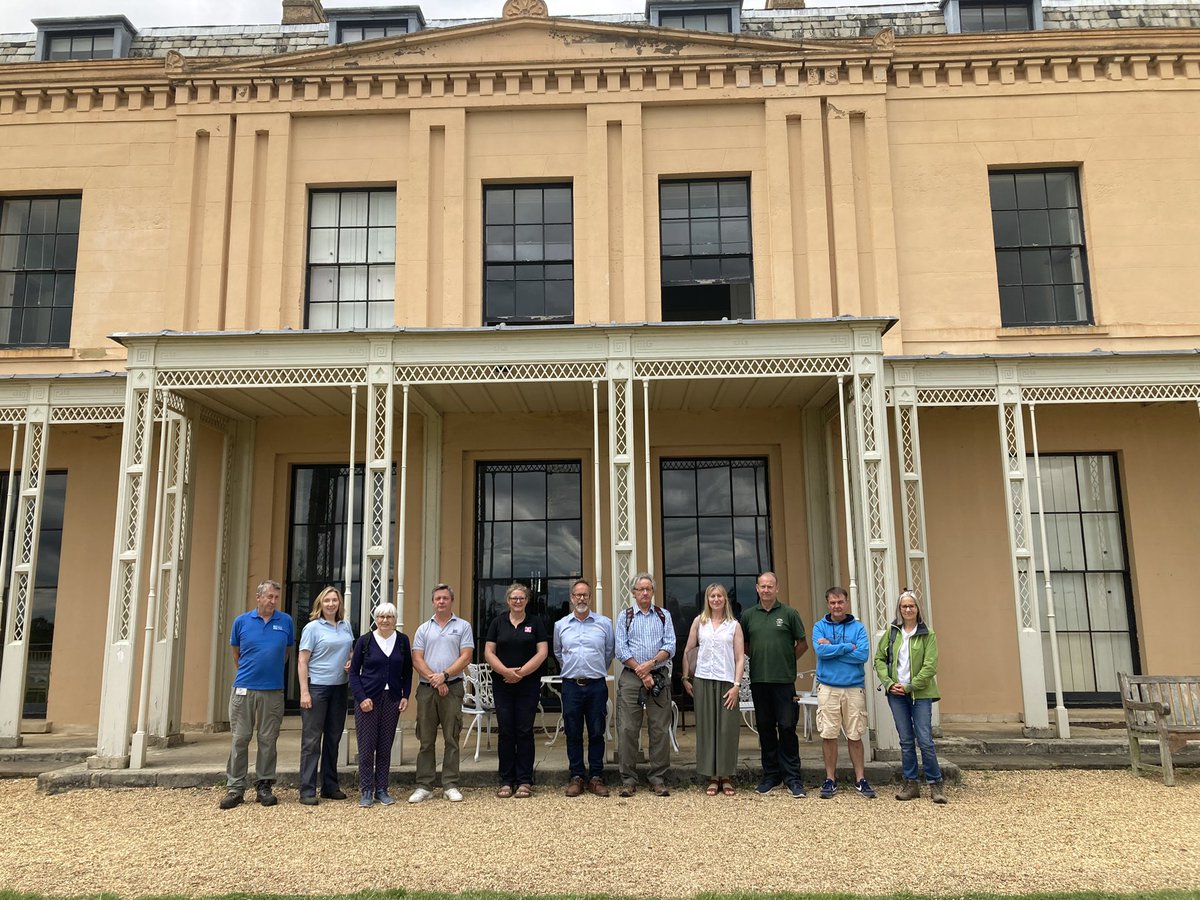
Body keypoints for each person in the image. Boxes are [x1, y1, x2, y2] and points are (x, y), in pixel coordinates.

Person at [219, 579, 293, 809]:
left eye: (276, 597)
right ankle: (235, 787)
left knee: (268, 739)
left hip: (273, 691)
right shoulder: (241, 621)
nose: (273, 601)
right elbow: (236, 655)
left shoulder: (286, 621)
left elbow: (286, 653)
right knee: (240, 738)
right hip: (244, 689)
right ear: (258, 597)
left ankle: (264, 784)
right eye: (269, 596)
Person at [739, 571, 808, 798]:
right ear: (757, 589)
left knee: (787, 727)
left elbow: (802, 644)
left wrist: (786, 661)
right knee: (766, 728)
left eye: (770, 586)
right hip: (760, 681)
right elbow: (745, 646)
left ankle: (792, 778)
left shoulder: (789, 614)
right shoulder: (748, 616)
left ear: (777, 589)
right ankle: (771, 775)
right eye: (762, 586)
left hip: (784, 682)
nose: (766, 590)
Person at [874, 590, 947, 803]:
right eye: (904, 606)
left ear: (917, 609)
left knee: (924, 739)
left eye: (911, 606)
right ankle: (911, 783)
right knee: (906, 740)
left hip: (920, 694)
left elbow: (930, 665)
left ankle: (935, 784)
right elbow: (879, 658)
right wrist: (888, 683)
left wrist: (911, 686)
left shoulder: (927, 634)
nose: (907, 610)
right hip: (896, 693)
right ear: (899, 609)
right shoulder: (893, 632)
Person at [409, 583, 474, 803]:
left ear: (451, 601)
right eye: (437, 598)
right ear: (433, 601)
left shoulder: (463, 626)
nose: (441, 602)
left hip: (452, 687)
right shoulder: (423, 629)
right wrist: (435, 680)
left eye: (445, 598)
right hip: (427, 690)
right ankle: (424, 785)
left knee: (451, 738)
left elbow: (466, 656)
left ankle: (450, 784)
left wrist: (444, 676)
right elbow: (417, 658)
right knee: (425, 739)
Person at [484, 582, 549, 799]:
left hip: (528, 685)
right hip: (502, 684)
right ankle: (505, 780)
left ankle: (524, 780)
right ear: (508, 601)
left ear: (527, 600)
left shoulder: (536, 622)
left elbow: (542, 653)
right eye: (514, 598)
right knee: (506, 732)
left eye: (521, 598)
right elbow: (489, 652)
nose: (518, 601)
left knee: (524, 731)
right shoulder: (497, 622)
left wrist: (520, 673)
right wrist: (506, 672)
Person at [614, 572, 676, 797]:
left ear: (653, 591)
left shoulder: (663, 615)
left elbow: (670, 645)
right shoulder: (625, 616)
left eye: (648, 588)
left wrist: (649, 666)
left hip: (658, 675)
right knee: (628, 729)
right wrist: (641, 673)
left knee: (659, 728)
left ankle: (657, 778)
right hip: (632, 677)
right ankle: (628, 779)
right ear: (633, 593)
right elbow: (621, 649)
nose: (645, 592)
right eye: (640, 589)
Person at [553, 578, 615, 797]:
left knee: (597, 731)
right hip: (571, 686)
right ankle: (577, 776)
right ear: (571, 598)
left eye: (585, 595)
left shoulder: (604, 623)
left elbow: (609, 652)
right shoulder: (560, 625)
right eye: (577, 595)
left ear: (590, 597)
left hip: (596, 685)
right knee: (573, 732)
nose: (581, 598)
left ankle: (596, 776)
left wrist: (594, 670)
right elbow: (559, 653)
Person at [682, 583, 745, 796]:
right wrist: (685, 678)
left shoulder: (733, 625)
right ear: (707, 600)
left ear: (725, 599)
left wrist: (737, 685)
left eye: (719, 596)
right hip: (703, 680)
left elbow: (739, 658)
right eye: (712, 596)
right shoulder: (699, 623)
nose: (716, 599)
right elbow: (688, 651)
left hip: (727, 682)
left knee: (726, 729)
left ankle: (726, 776)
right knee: (707, 729)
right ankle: (712, 776)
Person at [813, 585, 876, 799]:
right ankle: (830, 778)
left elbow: (863, 655)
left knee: (855, 734)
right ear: (828, 603)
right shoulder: (819, 627)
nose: (837, 606)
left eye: (840, 602)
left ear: (846, 603)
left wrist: (834, 648)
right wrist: (848, 646)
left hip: (853, 688)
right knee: (828, 734)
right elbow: (821, 651)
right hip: (828, 687)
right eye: (833, 602)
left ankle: (860, 779)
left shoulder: (858, 628)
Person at [348, 602, 412, 806]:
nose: (385, 620)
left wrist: (405, 695)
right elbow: (353, 672)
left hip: (392, 699)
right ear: (375, 619)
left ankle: (382, 789)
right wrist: (361, 698)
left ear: (395, 620)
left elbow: (408, 671)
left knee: (385, 746)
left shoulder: (402, 641)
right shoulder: (364, 641)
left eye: (389, 617)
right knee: (366, 747)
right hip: (368, 700)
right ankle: (366, 789)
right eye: (381, 617)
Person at [296, 585, 354, 805]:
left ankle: (330, 785)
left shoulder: (345, 626)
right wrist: (304, 691)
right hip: (317, 688)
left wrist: (350, 659)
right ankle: (307, 789)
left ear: (339, 604)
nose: (331, 604)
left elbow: (349, 650)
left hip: (339, 687)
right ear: (320, 603)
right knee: (311, 741)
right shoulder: (312, 628)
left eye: (335, 600)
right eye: (327, 600)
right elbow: (302, 660)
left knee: (333, 737)